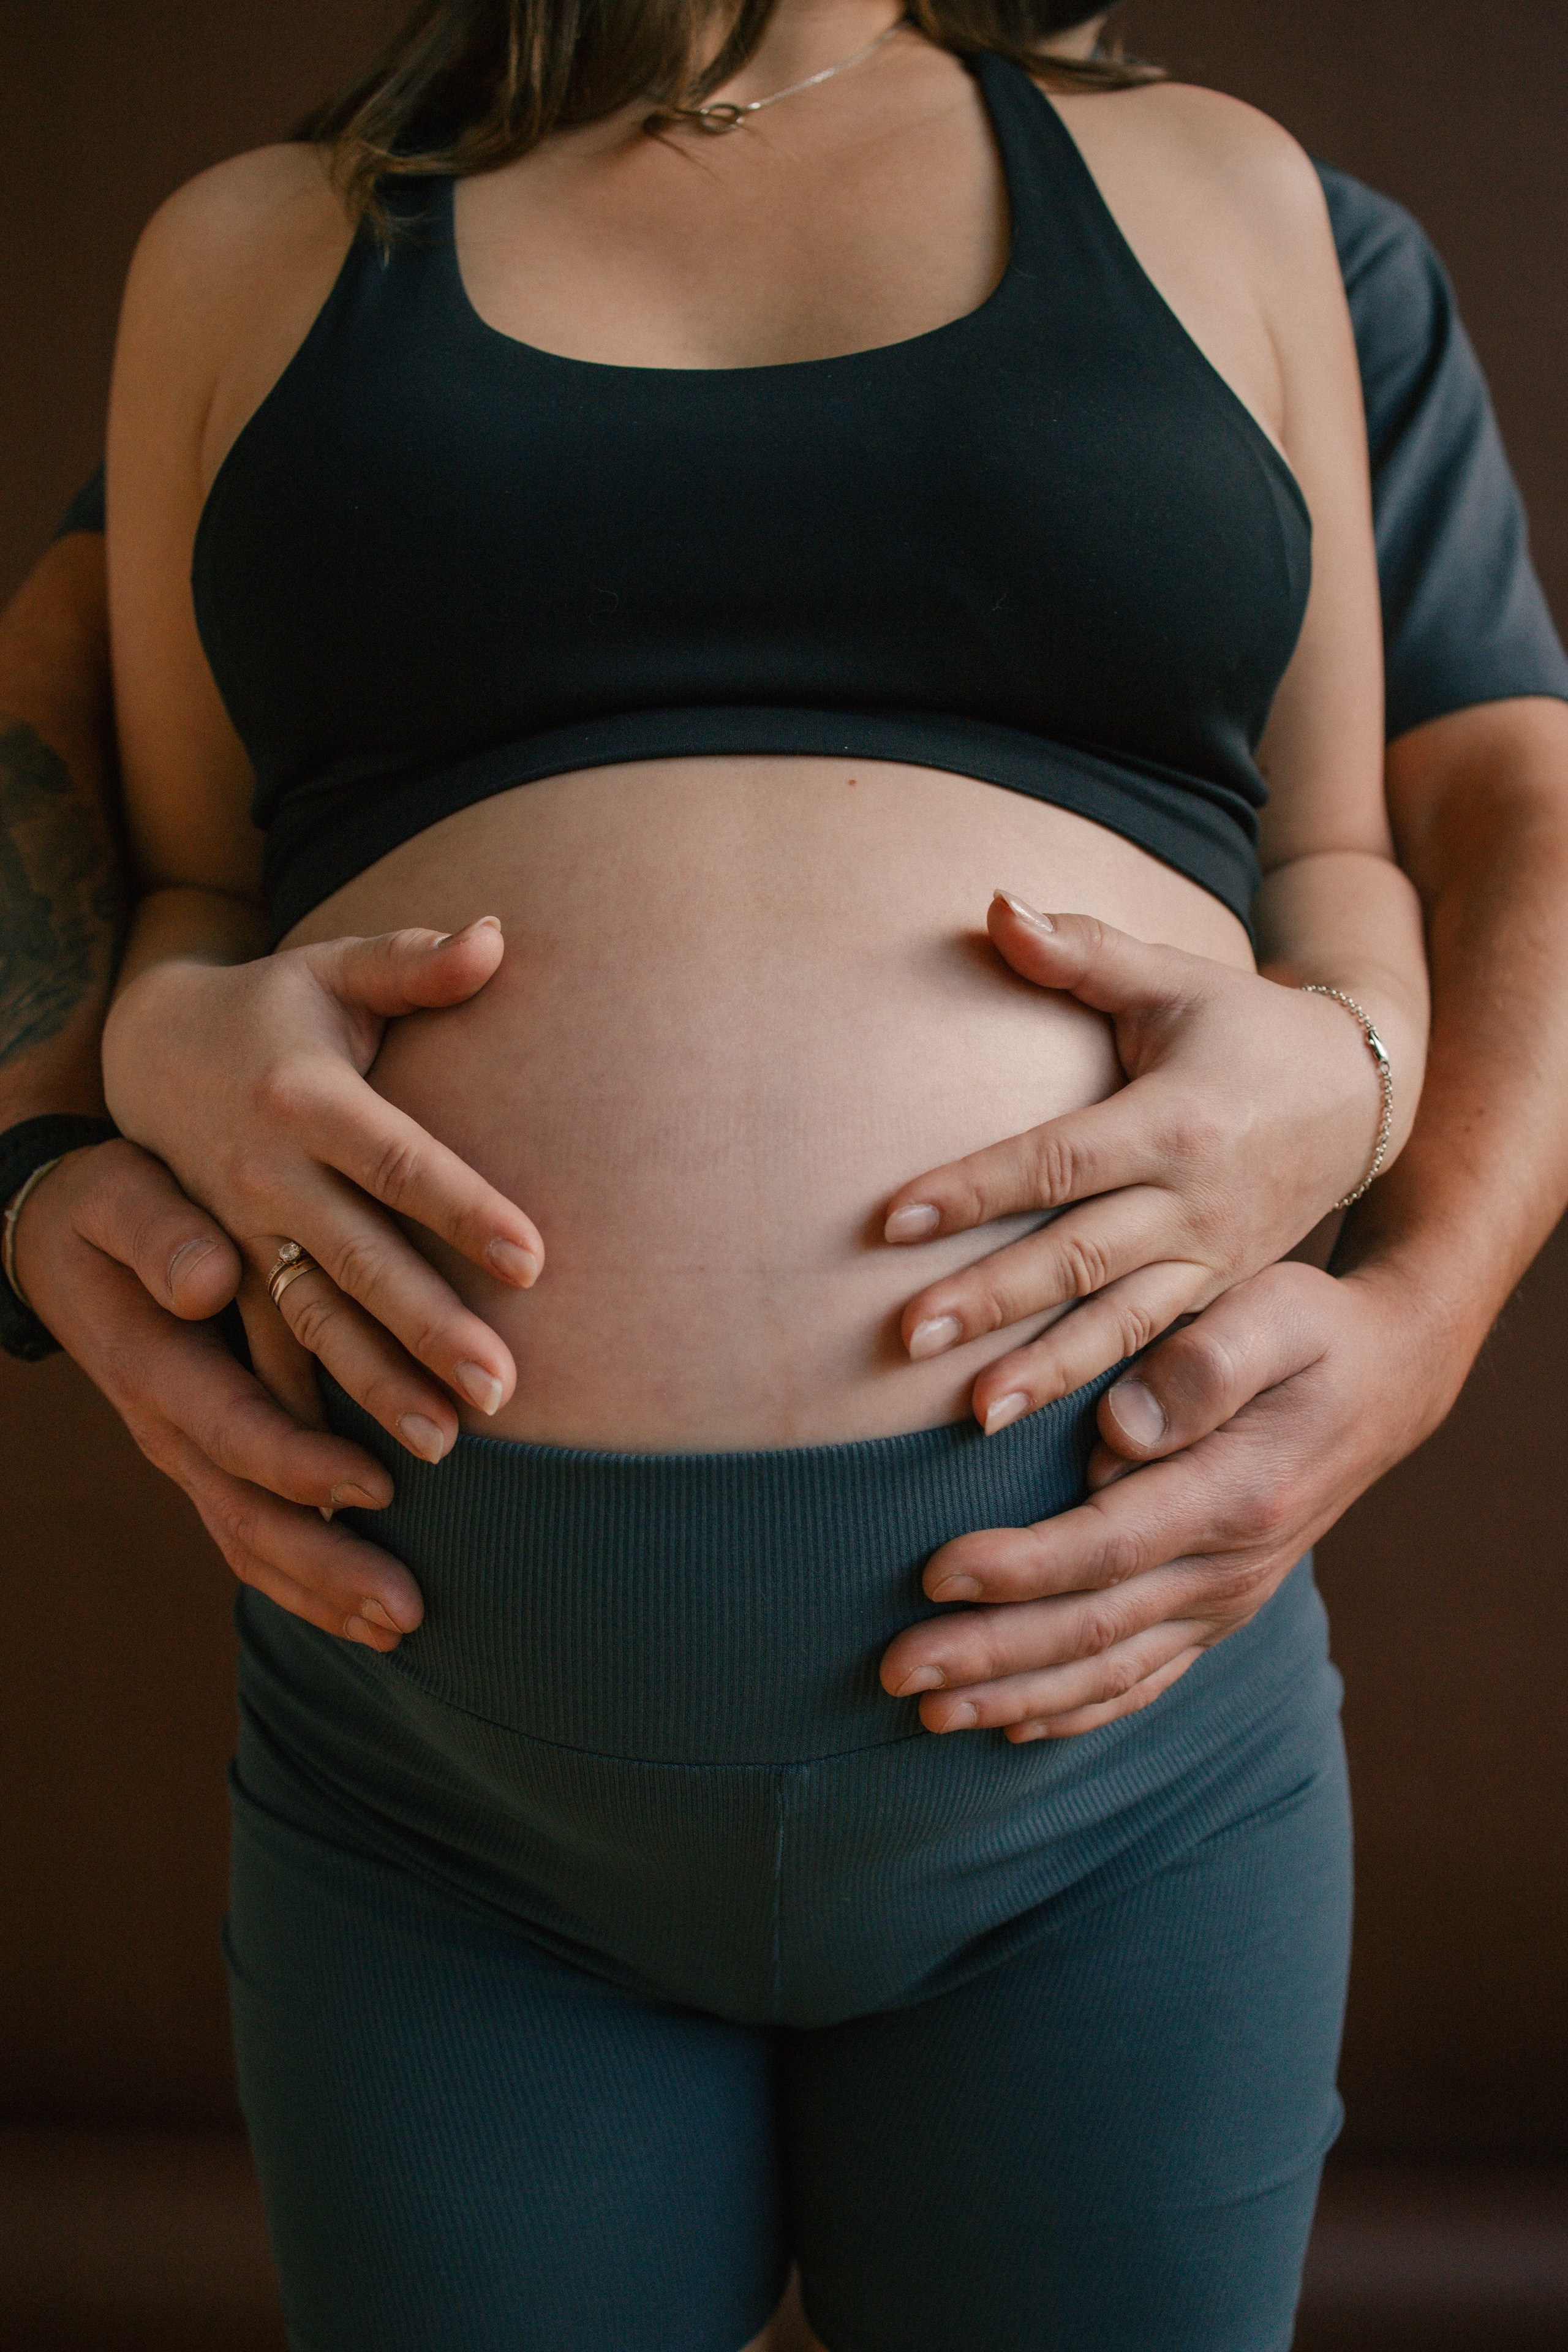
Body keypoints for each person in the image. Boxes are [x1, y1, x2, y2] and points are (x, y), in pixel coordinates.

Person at [0, 9, 1561, 2352]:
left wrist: (1355, 1136)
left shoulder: (1234, 199)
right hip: (432, 1761)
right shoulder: (253, 248)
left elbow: (1370, 849)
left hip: (1116, 1739)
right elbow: (172, 874)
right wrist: (124, 1058)